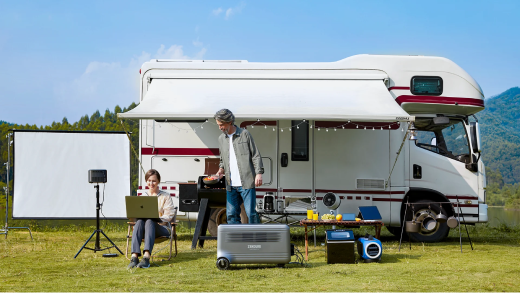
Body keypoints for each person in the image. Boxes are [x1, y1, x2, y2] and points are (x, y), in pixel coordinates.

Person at [214, 109, 264, 224]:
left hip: (247, 181)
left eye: (221, 125)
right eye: (218, 125)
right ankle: (236, 240)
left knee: (251, 213)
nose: (220, 128)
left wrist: (259, 173)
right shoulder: (221, 139)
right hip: (230, 184)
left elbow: (255, 154)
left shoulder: (244, 134)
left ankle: (256, 238)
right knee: (231, 214)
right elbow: (222, 159)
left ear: (230, 121)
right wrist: (221, 170)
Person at [128, 169, 176, 269]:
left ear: (158, 181)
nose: (151, 183)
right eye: (149, 180)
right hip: (144, 229)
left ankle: (146, 257)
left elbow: (170, 215)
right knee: (140, 220)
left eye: (154, 181)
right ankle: (134, 257)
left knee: (150, 220)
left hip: (161, 228)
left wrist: (157, 218)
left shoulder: (165, 196)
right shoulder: (142, 197)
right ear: (146, 181)